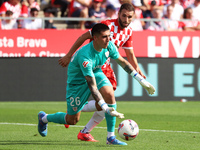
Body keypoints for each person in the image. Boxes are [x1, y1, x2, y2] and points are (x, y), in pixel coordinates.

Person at [38, 23, 155, 145]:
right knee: (72, 120)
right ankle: (44, 118)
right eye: (104, 37)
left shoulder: (109, 45)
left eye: (109, 36)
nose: (108, 39)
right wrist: (106, 108)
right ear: (95, 38)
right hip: (77, 82)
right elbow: (92, 87)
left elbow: (123, 62)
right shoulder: (85, 56)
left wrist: (142, 81)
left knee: (109, 94)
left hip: (96, 72)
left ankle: (110, 138)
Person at [59, 3, 148, 142]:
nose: (126, 19)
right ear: (118, 14)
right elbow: (84, 37)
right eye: (123, 15)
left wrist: (137, 70)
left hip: (104, 67)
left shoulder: (129, 31)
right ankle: (78, 115)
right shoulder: (106, 25)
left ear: (133, 17)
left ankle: (93, 133)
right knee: (105, 101)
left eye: (129, 17)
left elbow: (129, 54)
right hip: (91, 65)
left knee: (109, 98)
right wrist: (69, 54)